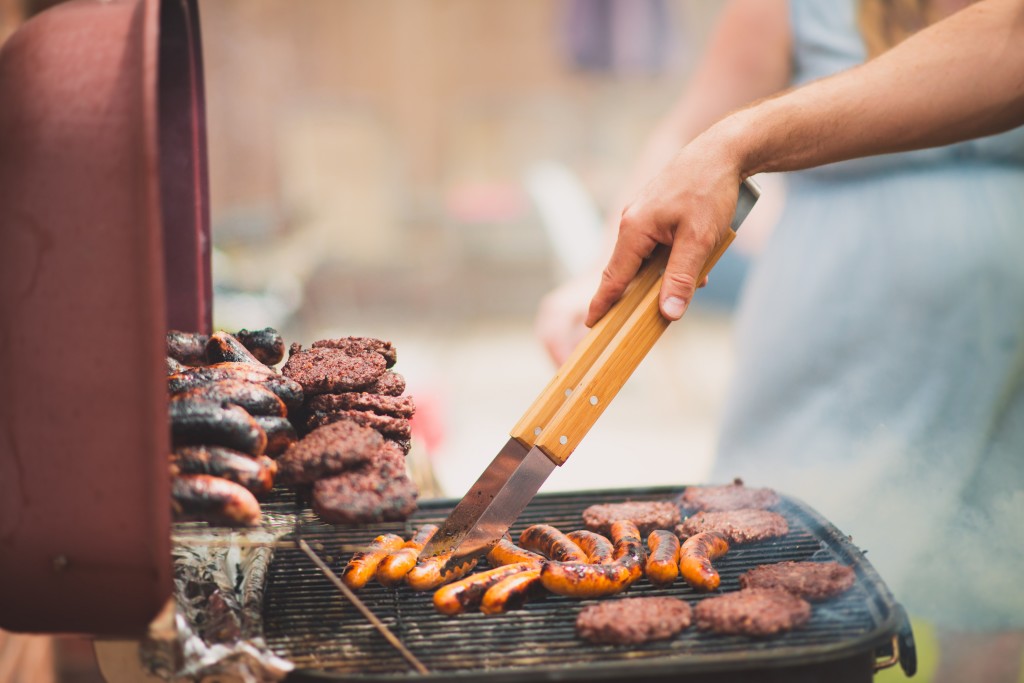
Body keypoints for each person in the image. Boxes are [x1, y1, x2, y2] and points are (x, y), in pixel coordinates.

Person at [536, 1, 1024, 681]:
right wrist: (603, 264)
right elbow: (704, 115)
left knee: (998, 609)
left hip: (1010, 354)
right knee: (766, 575)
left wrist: (741, 142)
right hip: (834, 334)